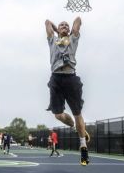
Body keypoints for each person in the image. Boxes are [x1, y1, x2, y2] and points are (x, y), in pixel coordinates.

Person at [45, 17, 90, 166]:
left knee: (77, 114)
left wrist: (70, 32)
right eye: (61, 24)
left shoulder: (73, 38)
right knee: (58, 115)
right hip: (56, 79)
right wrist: (58, 31)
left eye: (66, 25)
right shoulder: (53, 40)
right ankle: (75, 127)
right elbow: (47, 22)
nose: (64, 26)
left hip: (71, 78)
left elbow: (78, 20)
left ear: (70, 29)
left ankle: (83, 146)